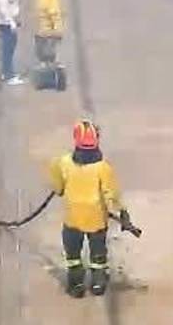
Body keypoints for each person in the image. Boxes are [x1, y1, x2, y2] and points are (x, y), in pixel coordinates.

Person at [47, 119, 130, 297]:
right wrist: (123, 213)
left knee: (73, 255)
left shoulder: (62, 163)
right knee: (98, 254)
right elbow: (111, 194)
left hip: (72, 218)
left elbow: (57, 187)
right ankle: (98, 283)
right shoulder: (103, 168)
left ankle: (76, 284)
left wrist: (61, 188)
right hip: (96, 219)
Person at [29, 0, 63, 68]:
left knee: (49, 57)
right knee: (41, 57)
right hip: (38, 33)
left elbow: (55, 13)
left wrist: (57, 30)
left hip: (49, 33)